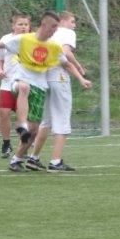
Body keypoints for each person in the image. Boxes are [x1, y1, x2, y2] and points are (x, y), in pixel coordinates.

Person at [0, 11, 91, 172]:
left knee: (33, 131)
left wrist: (81, 79)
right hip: (19, 83)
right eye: (53, 27)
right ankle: (21, 124)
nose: (55, 31)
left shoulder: (52, 46)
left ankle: (16, 159)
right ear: (44, 25)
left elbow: (66, 64)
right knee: (23, 87)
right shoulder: (24, 39)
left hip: (40, 89)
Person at [28, 11, 85, 172]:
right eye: (72, 21)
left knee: (46, 120)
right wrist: (79, 69)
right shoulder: (67, 33)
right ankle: (55, 161)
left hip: (43, 78)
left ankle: (33, 158)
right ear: (62, 21)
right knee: (62, 118)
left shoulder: (46, 35)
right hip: (59, 77)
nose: (74, 25)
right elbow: (66, 53)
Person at [0, 13, 31, 158]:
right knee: (4, 113)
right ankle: (6, 144)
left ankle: (23, 147)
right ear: (13, 26)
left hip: (25, 85)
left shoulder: (33, 40)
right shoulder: (6, 39)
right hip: (7, 83)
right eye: (20, 24)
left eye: (26, 24)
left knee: (23, 117)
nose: (23, 27)